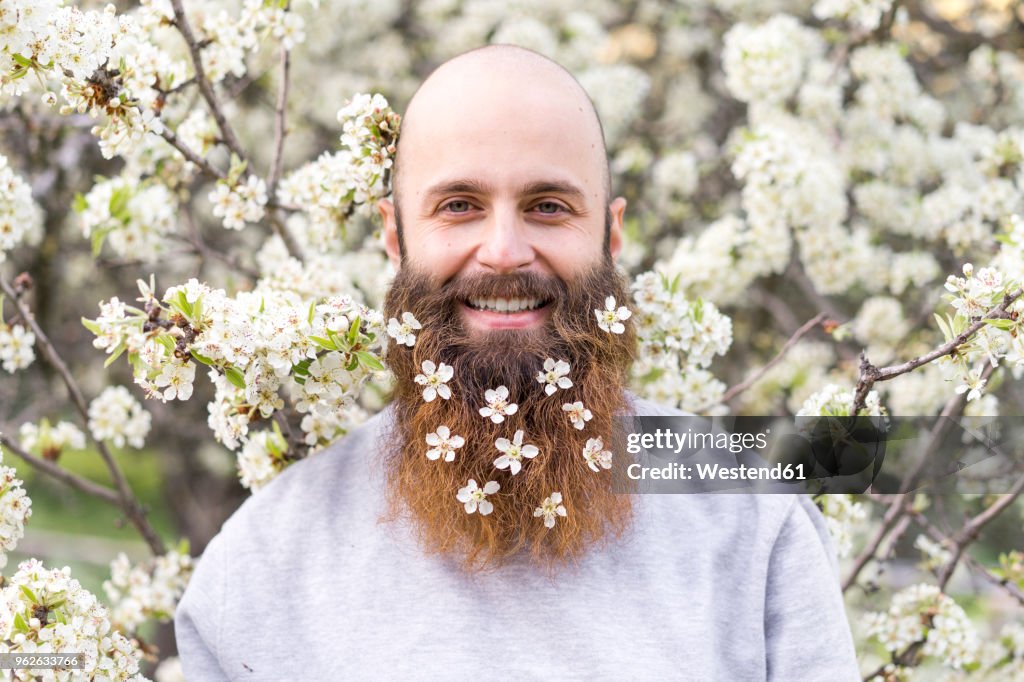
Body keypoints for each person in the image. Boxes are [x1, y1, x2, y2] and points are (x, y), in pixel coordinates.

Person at [174, 44, 861, 680]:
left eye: (548, 206)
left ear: (610, 235)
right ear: (394, 235)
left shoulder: (750, 518)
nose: (503, 251)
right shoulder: (261, 566)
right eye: (460, 205)